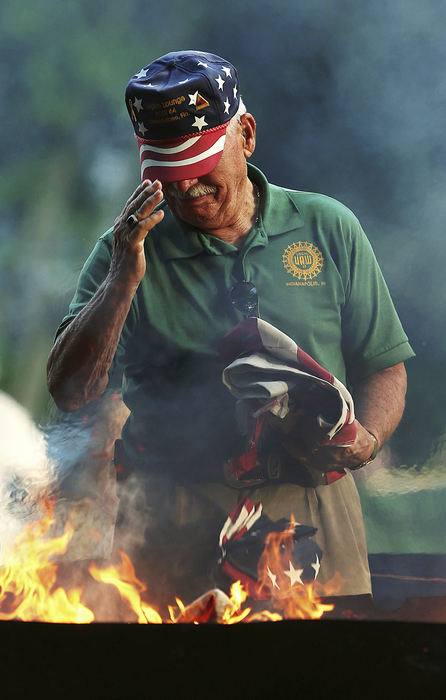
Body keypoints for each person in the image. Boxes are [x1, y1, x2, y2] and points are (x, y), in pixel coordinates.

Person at [47, 50, 414, 614]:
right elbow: (71, 392)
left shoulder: (327, 227)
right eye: (166, 170)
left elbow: (383, 364)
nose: (185, 184)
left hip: (314, 516)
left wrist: (365, 439)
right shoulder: (127, 248)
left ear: (245, 135)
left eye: (197, 160)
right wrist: (124, 277)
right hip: (176, 521)